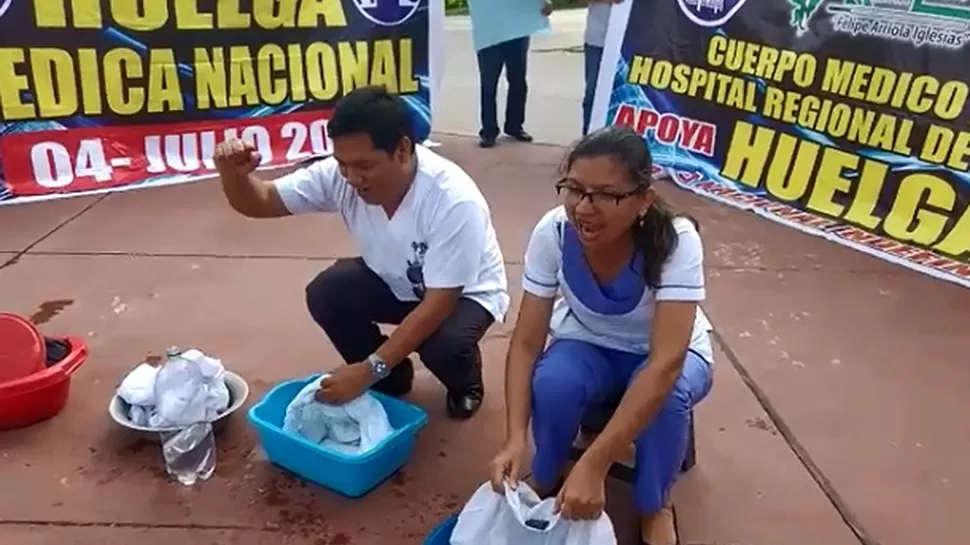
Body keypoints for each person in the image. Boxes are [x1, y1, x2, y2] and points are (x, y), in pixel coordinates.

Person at [213, 86, 509, 420]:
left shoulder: (453, 199)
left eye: (364, 165)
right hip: (395, 278)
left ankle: (465, 383)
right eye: (343, 164)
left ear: (402, 150)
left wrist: (368, 370)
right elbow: (262, 201)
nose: (352, 178)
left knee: (442, 345)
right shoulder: (341, 176)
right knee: (327, 293)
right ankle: (394, 377)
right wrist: (233, 175)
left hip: (462, 295)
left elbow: (439, 303)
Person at [487, 126, 714, 545]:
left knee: (668, 396)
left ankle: (654, 504)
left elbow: (666, 362)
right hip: (589, 343)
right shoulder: (554, 232)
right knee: (554, 381)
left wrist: (595, 464)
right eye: (574, 189)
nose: (584, 208)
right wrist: (514, 437)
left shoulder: (676, 241)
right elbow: (525, 343)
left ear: (643, 200)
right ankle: (549, 469)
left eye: (606, 195)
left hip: (668, 359)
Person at [467, 0, 553, 148]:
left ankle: (514, 126)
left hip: (516, 31)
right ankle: (489, 131)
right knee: (489, 84)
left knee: (518, 80)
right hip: (489, 32)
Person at [583, 0, 624, 135]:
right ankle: (589, 135)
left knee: (622, 92)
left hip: (625, 42)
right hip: (596, 41)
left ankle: (617, 137)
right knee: (593, 91)